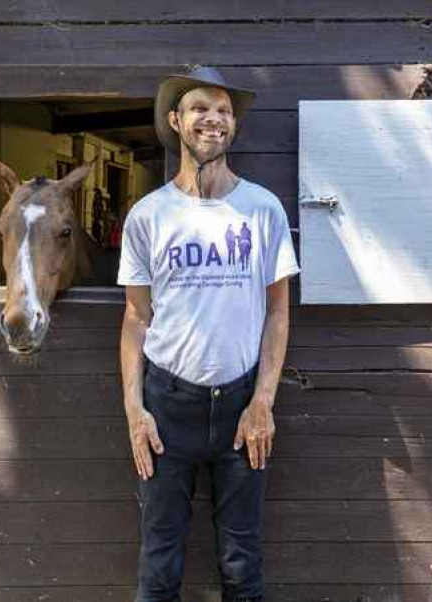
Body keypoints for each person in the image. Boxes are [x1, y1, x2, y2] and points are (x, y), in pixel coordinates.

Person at [117, 67, 299, 602]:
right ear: (177, 121)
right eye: (199, 108)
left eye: (223, 110)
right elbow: (135, 318)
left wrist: (263, 400)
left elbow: (278, 314)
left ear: (233, 125)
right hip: (167, 405)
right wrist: (134, 411)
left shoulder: (261, 209)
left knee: (242, 561)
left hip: (242, 407)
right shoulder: (148, 215)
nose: (213, 119)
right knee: (159, 559)